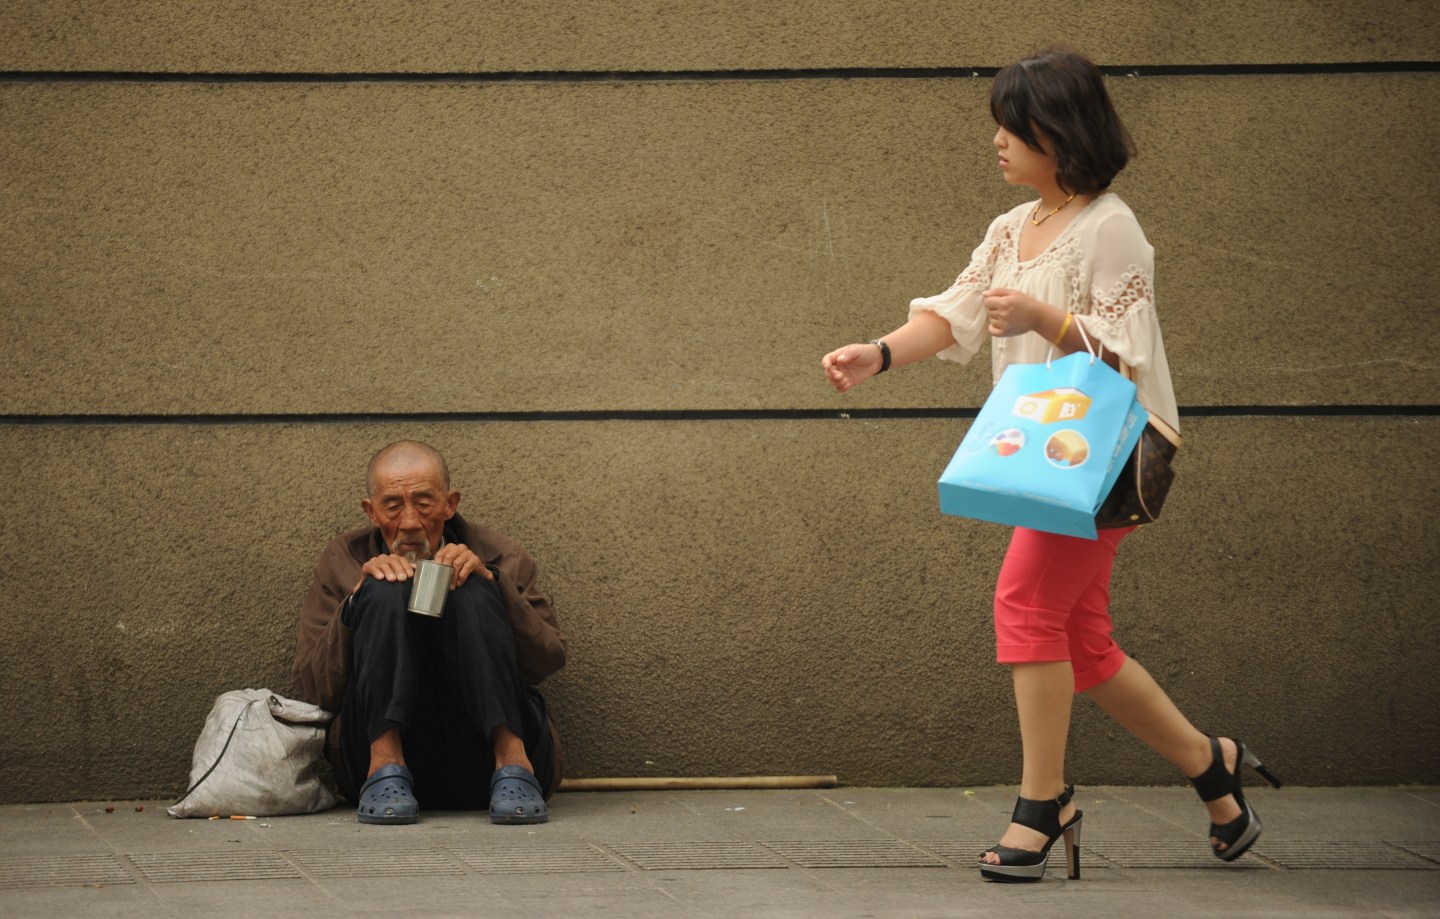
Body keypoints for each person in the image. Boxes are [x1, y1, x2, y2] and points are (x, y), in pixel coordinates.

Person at [821, 47, 1279, 882]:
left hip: (1105, 453)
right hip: (1050, 452)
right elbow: (956, 314)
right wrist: (877, 353)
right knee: (1084, 641)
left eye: (1013, 126)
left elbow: (1127, 354)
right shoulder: (1011, 228)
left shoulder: (1110, 225)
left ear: (1059, 134)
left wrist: (1044, 317)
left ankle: (1044, 801)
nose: (997, 140)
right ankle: (1212, 767)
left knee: (1025, 602)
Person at [292, 440, 567, 826]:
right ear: (371, 512)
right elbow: (312, 690)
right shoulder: (342, 559)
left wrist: (495, 585)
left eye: (423, 503)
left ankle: (513, 761)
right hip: (378, 771)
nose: (409, 522)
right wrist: (357, 602)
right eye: (392, 505)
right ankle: (385, 762)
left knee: (473, 584)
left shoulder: (502, 554)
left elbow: (547, 660)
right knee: (382, 588)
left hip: (482, 756)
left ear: (450, 504)